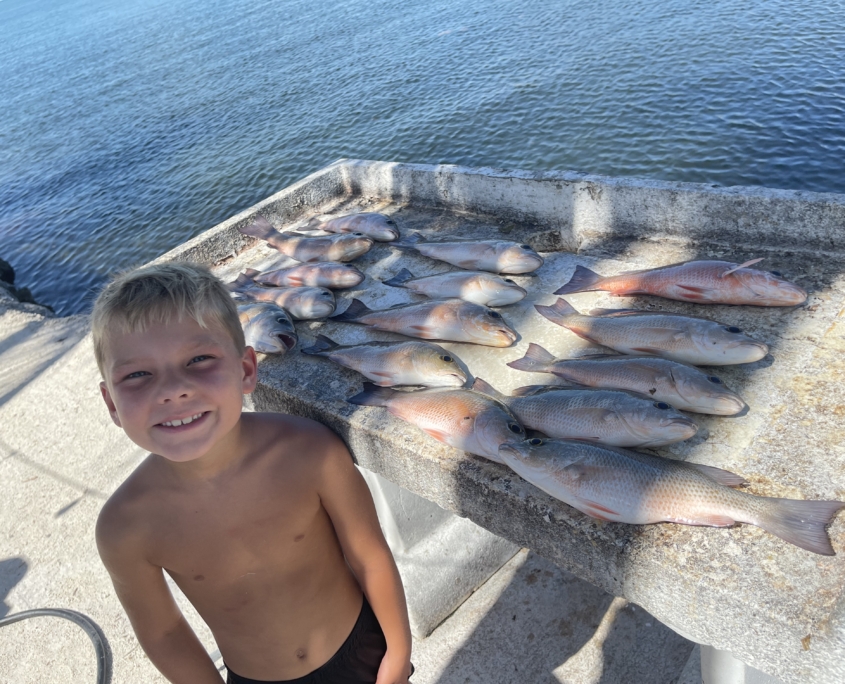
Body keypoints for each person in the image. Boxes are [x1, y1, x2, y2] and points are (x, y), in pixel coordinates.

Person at [93, 262, 413, 684]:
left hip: (365, 654)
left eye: (198, 359)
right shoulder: (125, 527)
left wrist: (397, 654)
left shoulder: (311, 452)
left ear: (245, 370)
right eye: (137, 374)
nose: (172, 389)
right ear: (112, 404)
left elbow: (369, 555)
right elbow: (163, 633)